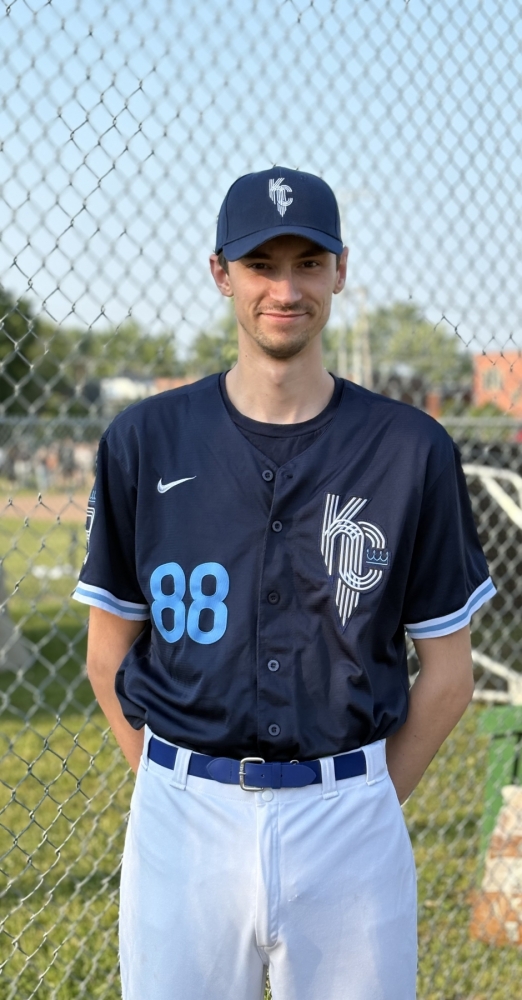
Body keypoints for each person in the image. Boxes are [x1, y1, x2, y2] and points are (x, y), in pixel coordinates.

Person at [74, 167, 496, 1000]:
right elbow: (106, 653)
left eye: (308, 263)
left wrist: (366, 802)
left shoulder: (411, 449)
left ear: (341, 271)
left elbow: (449, 675)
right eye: (261, 264)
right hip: (181, 815)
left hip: (350, 814)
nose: (286, 289)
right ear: (220, 273)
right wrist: (171, 786)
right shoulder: (145, 440)